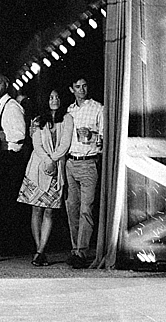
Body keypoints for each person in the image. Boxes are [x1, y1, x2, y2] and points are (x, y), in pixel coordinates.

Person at [17, 89, 74, 265]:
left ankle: (41, 250)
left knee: (49, 210)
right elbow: (36, 143)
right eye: (50, 97)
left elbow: (65, 143)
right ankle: (38, 250)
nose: (54, 100)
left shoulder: (68, 118)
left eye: (57, 97)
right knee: (36, 209)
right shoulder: (38, 120)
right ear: (46, 100)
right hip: (38, 167)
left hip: (56, 168)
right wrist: (47, 160)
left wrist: (53, 161)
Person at [65, 76, 104, 268]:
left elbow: (104, 139)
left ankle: (82, 252)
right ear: (71, 89)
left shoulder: (98, 108)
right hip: (71, 162)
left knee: (85, 209)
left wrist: (92, 135)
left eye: (84, 86)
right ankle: (75, 249)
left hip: (88, 162)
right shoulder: (70, 111)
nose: (81, 89)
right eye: (77, 86)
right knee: (72, 208)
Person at [0, 72, 28, 254]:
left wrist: (6, 139)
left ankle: (11, 246)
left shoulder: (12, 106)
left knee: (9, 203)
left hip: (10, 159)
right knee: (0, 203)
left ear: (6, 85)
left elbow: (20, 135)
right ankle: (2, 244)